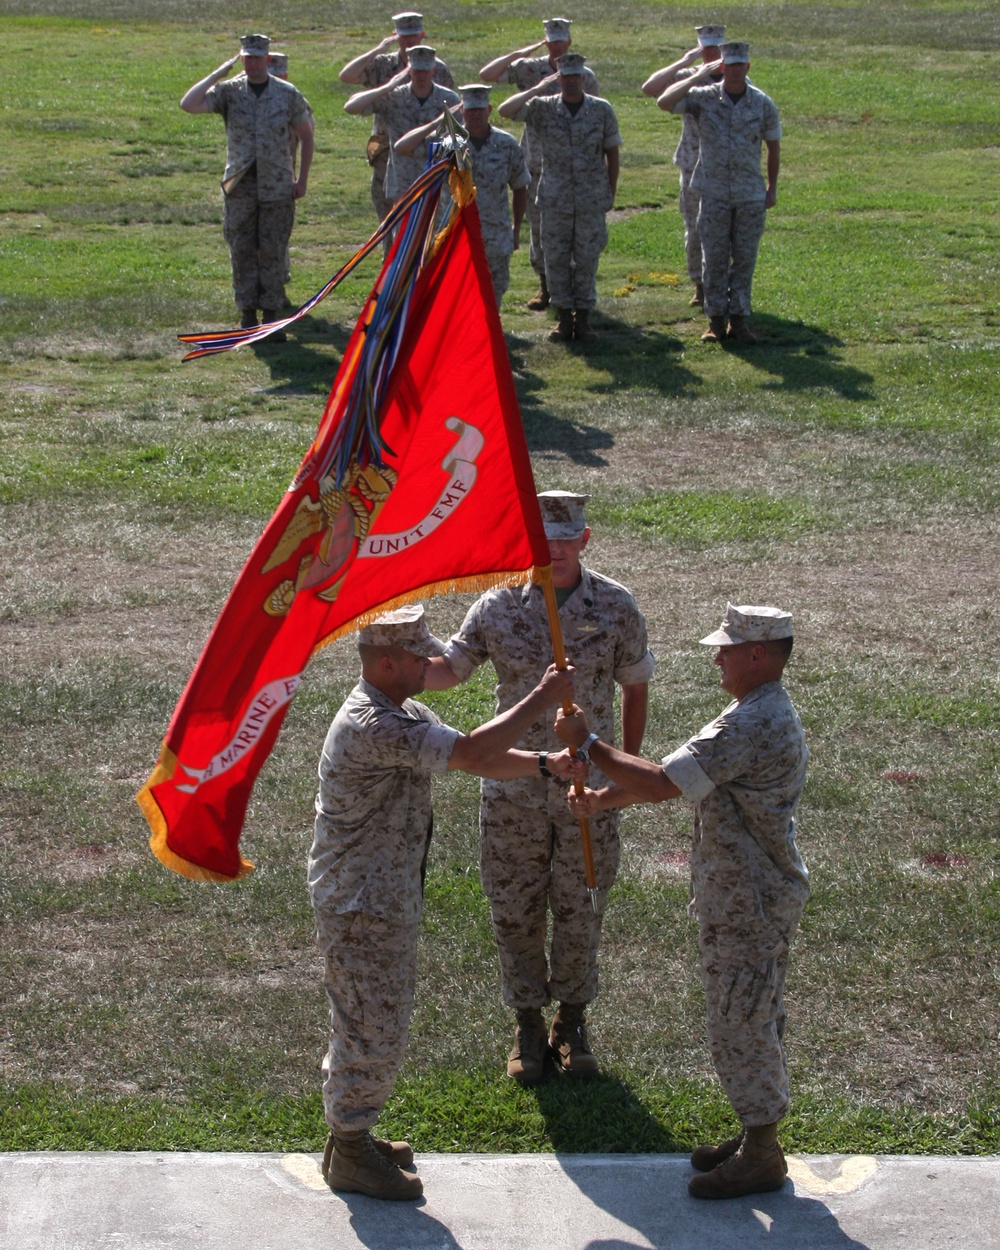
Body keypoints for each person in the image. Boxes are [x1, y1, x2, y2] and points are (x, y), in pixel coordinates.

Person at [311, 604, 576, 1201]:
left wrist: (543, 764)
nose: (431, 662)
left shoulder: (401, 711)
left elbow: (471, 752)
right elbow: (477, 754)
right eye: (417, 656)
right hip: (362, 906)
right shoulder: (370, 725)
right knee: (369, 1024)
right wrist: (541, 697)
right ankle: (350, 1150)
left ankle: (350, 1136)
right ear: (385, 663)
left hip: (380, 895)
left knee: (370, 1019)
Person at [555, 603, 808, 1200]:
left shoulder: (752, 721)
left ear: (757, 654)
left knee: (741, 1022)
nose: (716, 656)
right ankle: (756, 1134)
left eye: (727, 648)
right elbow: (683, 781)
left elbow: (664, 782)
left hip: (749, 901)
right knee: (750, 1015)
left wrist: (588, 744)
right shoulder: (754, 710)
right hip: (748, 894)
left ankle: (764, 1152)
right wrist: (603, 801)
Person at [424, 492, 654, 1085]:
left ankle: (572, 1022)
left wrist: (625, 767)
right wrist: (387, 660)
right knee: (515, 907)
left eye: (564, 539)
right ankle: (527, 1021)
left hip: (588, 790)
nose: (552, 551)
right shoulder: (497, 605)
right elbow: (451, 670)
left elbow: (634, 685)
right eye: (541, 542)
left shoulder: (616, 606)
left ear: (584, 539)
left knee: (582, 906)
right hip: (515, 788)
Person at [180, 33, 314, 335]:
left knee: (272, 250)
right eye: (247, 58)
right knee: (241, 249)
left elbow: (306, 135)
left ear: (268, 59)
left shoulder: (287, 93)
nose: (253, 63)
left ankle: (271, 316)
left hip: (277, 185)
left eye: (257, 57)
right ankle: (247, 315)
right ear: (242, 59)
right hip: (240, 186)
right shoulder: (229, 92)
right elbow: (188, 104)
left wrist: (301, 180)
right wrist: (218, 73)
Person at [657, 40, 780, 344]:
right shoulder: (703, 97)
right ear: (721, 67)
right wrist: (697, 76)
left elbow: (773, 146)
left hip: (749, 193)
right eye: (730, 65)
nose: (735, 70)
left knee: (744, 258)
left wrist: (772, 187)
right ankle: (714, 320)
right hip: (712, 192)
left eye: (741, 65)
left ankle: (738, 320)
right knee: (713, 258)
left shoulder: (762, 103)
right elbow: (664, 101)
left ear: (747, 68)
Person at [479, 17, 600, 312]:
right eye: (551, 41)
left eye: (561, 40)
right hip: (535, 159)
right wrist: (521, 53)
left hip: (572, 165)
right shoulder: (531, 68)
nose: (556, 46)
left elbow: (594, 114)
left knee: (573, 230)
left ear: (569, 42)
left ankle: (574, 289)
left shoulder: (584, 75)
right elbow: (489, 73)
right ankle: (545, 285)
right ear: (545, 42)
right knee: (539, 228)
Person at [498, 53, 621, 343]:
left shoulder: (601, 110)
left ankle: (584, 317)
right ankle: (564, 318)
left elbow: (612, 153)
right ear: (559, 78)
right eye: (565, 76)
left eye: (576, 76)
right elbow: (506, 110)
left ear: (583, 78)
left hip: (590, 197)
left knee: (588, 258)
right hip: (554, 199)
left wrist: (610, 191)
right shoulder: (543, 107)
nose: (571, 82)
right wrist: (538, 88)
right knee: (555, 258)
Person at [393, 84, 529, 306]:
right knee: (456, 296)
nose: (475, 115)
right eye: (470, 110)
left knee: (492, 294)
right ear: (462, 111)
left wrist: (516, 230)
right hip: (456, 234)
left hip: (494, 235)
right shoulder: (447, 146)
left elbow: (520, 186)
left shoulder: (506, 144)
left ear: (489, 109)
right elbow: (402, 147)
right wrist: (438, 123)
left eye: (480, 109)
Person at [338, 12, 455, 233]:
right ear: (396, 36)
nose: (409, 41)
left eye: (413, 35)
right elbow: (347, 77)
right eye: (404, 36)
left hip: (431, 156)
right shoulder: (385, 66)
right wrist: (380, 51)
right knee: (392, 225)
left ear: (422, 35)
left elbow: (452, 114)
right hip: (390, 150)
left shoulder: (437, 68)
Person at [640, 25, 725, 308]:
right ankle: (699, 285)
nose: (711, 54)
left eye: (715, 48)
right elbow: (650, 89)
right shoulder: (689, 77)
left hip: (724, 165)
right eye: (705, 49)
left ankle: (720, 283)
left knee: (722, 229)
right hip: (692, 162)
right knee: (694, 227)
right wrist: (686, 63)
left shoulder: (734, 78)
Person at [267, 52, 316, 301]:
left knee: (278, 237)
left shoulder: (294, 100)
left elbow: (308, 135)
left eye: (278, 75)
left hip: (282, 180)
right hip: (252, 180)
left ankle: (278, 288)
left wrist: (301, 180)